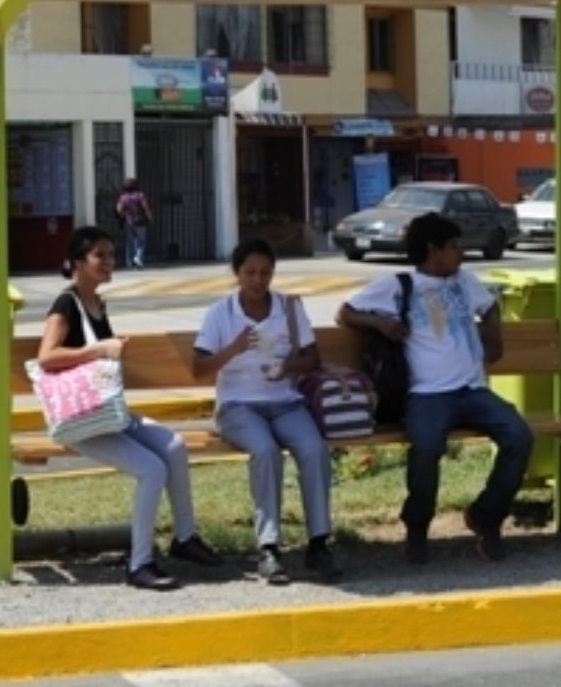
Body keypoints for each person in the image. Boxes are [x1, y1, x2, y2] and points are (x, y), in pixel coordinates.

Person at [36, 224, 224, 591]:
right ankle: (140, 564)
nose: (109, 261)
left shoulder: (96, 303)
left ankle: (184, 538)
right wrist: (100, 349)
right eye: (99, 255)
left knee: (173, 446)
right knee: (151, 470)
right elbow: (46, 357)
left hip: (109, 414)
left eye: (111, 253)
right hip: (82, 422)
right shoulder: (66, 304)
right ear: (77, 261)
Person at [339, 213, 533, 565]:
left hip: (473, 390)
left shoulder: (465, 281)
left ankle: (486, 518)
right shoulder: (400, 285)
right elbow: (346, 313)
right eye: (455, 247)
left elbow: (491, 306)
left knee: (519, 435)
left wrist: (494, 337)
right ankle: (417, 526)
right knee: (427, 446)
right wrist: (381, 323)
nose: (461, 253)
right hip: (428, 394)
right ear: (434, 250)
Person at [193, 237, 340, 586]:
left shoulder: (288, 308)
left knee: (314, 449)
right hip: (238, 406)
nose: (258, 280)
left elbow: (313, 357)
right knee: (265, 451)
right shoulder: (220, 313)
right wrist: (234, 348)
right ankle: (269, 547)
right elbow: (198, 368)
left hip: (285, 400)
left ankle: (319, 542)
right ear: (237, 274)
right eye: (250, 272)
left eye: (265, 273)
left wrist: (291, 367)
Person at [115, 179, 152, 270]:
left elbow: (119, 210)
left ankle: (129, 261)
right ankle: (138, 259)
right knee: (141, 242)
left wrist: (124, 215)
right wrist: (149, 217)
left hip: (128, 222)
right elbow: (145, 207)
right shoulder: (140, 195)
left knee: (130, 241)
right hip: (140, 221)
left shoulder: (123, 197)